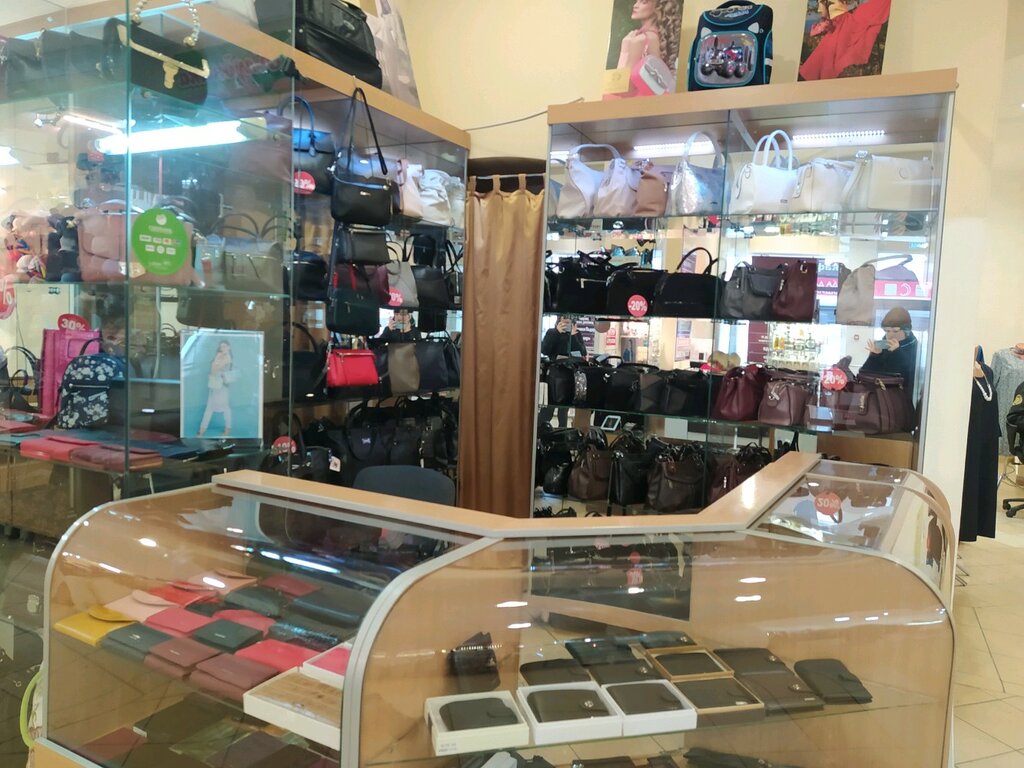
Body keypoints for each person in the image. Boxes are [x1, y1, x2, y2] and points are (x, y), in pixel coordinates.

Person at [858, 306, 919, 394]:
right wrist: (875, 356)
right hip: (880, 395)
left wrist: (897, 352)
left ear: (906, 330)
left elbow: (909, 376)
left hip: (901, 396)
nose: (890, 335)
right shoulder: (883, 346)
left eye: (895, 331)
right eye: (887, 331)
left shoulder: (913, 346)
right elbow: (865, 374)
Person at [617, 0, 681, 78]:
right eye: (636, 1)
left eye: (643, 2)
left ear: (657, 8)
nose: (635, 6)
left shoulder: (640, 40)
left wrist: (624, 51)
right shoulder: (660, 38)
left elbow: (622, 82)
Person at [198, 340, 233, 437]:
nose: (222, 348)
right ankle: (202, 430)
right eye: (221, 347)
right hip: (215, 384)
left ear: (229, 347)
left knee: (223, 407)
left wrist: (216, 360)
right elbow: (213, 369)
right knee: (211, 407)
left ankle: (226, 430)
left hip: (221, 385)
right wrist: (216, 361)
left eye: (224, 346)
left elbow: (214, 369)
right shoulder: (221, 356)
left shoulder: (227, 357)